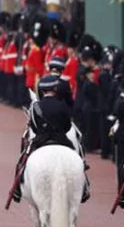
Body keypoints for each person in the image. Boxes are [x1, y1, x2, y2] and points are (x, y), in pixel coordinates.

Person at [10, 75, 90, 204]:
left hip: (41, 140)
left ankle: (17, 190)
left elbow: (34, 127)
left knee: (22, 159)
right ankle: (84, 186)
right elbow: (67, 126)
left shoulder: (35, 106)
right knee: (78, 154)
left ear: (42, 91)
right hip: (61, 139)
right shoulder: (62, 105)